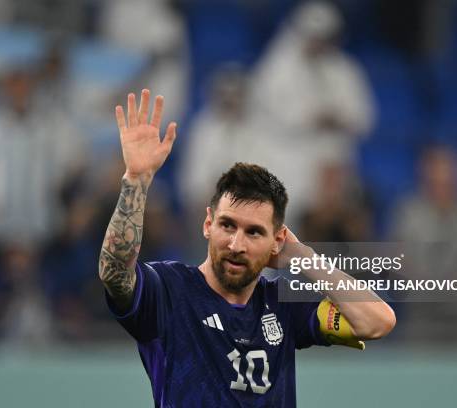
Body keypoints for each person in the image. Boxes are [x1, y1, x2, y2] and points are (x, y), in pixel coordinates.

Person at [100, 89, 396, 407]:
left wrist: (303, 257)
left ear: (277, 241)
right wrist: (136, 180)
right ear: (207, 224)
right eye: (228, 225)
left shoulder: (283, 306)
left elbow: (376, 322)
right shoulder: (169, 292)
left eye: (254, 232)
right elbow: (114, 272)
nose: (236, 244)